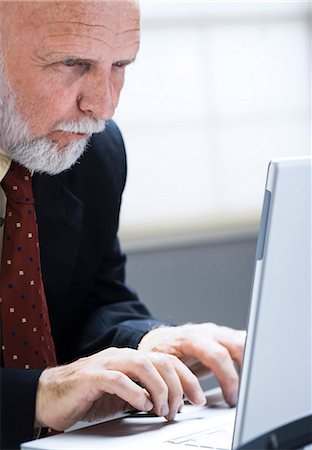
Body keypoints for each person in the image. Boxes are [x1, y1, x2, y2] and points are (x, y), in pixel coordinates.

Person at [0, 1, 245, 449]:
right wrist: (33, 396)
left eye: (120, 65)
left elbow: (93, 301)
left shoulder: (93, 153)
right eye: (72, 63)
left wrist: (149, 341)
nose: (103, 106)